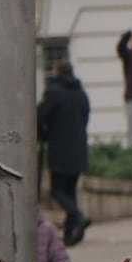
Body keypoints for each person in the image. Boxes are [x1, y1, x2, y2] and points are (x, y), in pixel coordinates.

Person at [41, 56, 93, 242]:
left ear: (57, 71)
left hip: (60, 149)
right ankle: (71, 236)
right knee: (70, 191)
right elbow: (86, 118)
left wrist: (44, 135)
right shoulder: (81, 93)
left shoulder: (54, 92)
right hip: (79, 150)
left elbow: (40, 117)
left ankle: (78, 216)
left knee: (57, 190)